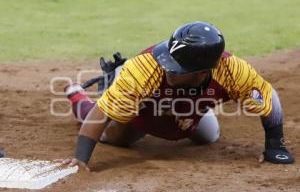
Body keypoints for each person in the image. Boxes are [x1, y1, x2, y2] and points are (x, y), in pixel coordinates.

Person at [56, 21, 294, 170]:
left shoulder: (232, 71)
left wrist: (275, 146)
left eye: (177, 68)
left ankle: (188, 107)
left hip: (184, 106)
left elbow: (268, 95)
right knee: (119, 136)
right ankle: (81, 95)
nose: (168, 68)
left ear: (203, 72)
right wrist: (81, 158)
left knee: (208, 136)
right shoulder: (146, 68)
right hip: (144, 106)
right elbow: (103, 112)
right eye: (168, 60)